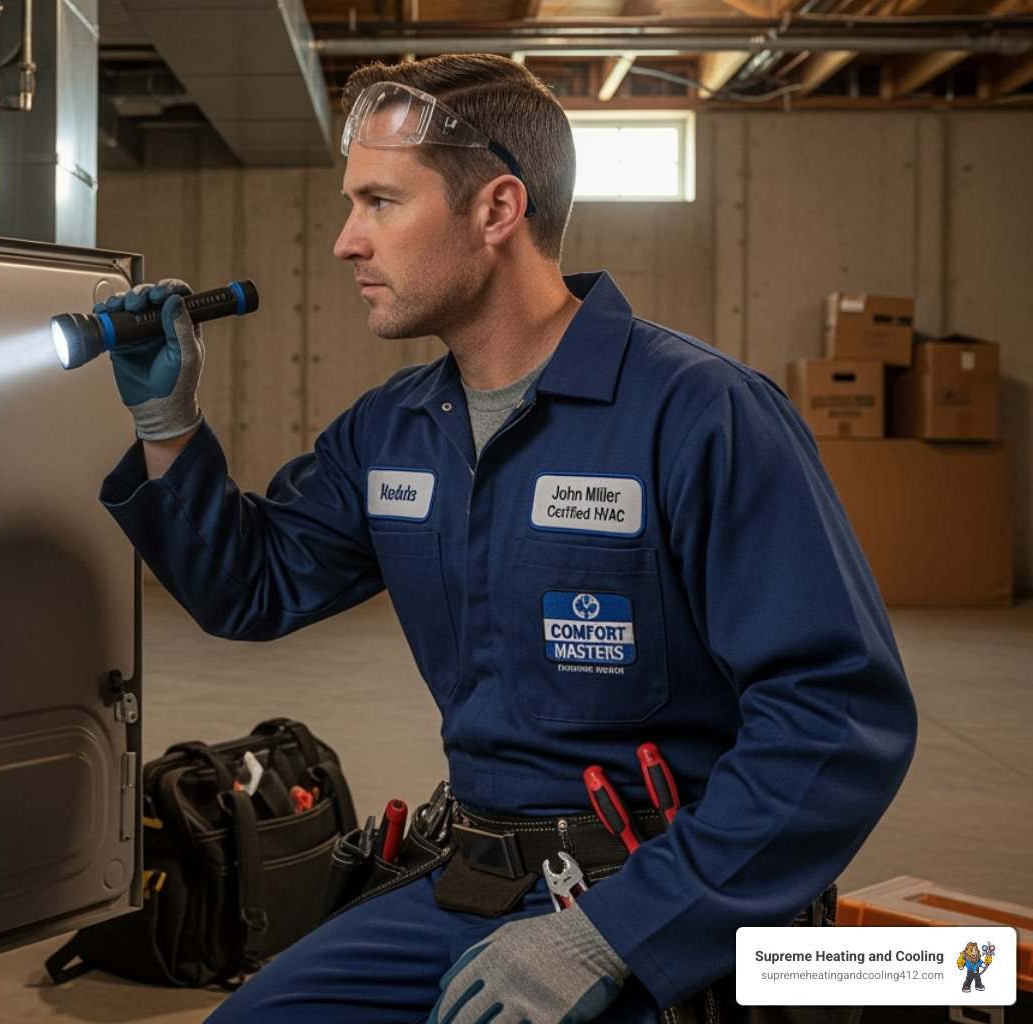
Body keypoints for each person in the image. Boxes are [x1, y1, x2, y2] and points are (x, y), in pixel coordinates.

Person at [95, 53, 917, 1024]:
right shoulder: (393, 428)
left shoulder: (700, 414)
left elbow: (834, 718)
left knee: (941, 974)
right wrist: (167, 428)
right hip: (476, 885)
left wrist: (614, 931)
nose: (345, 242)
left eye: (380, 202)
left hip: (685, 902)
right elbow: (253, 587)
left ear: (496, 210)